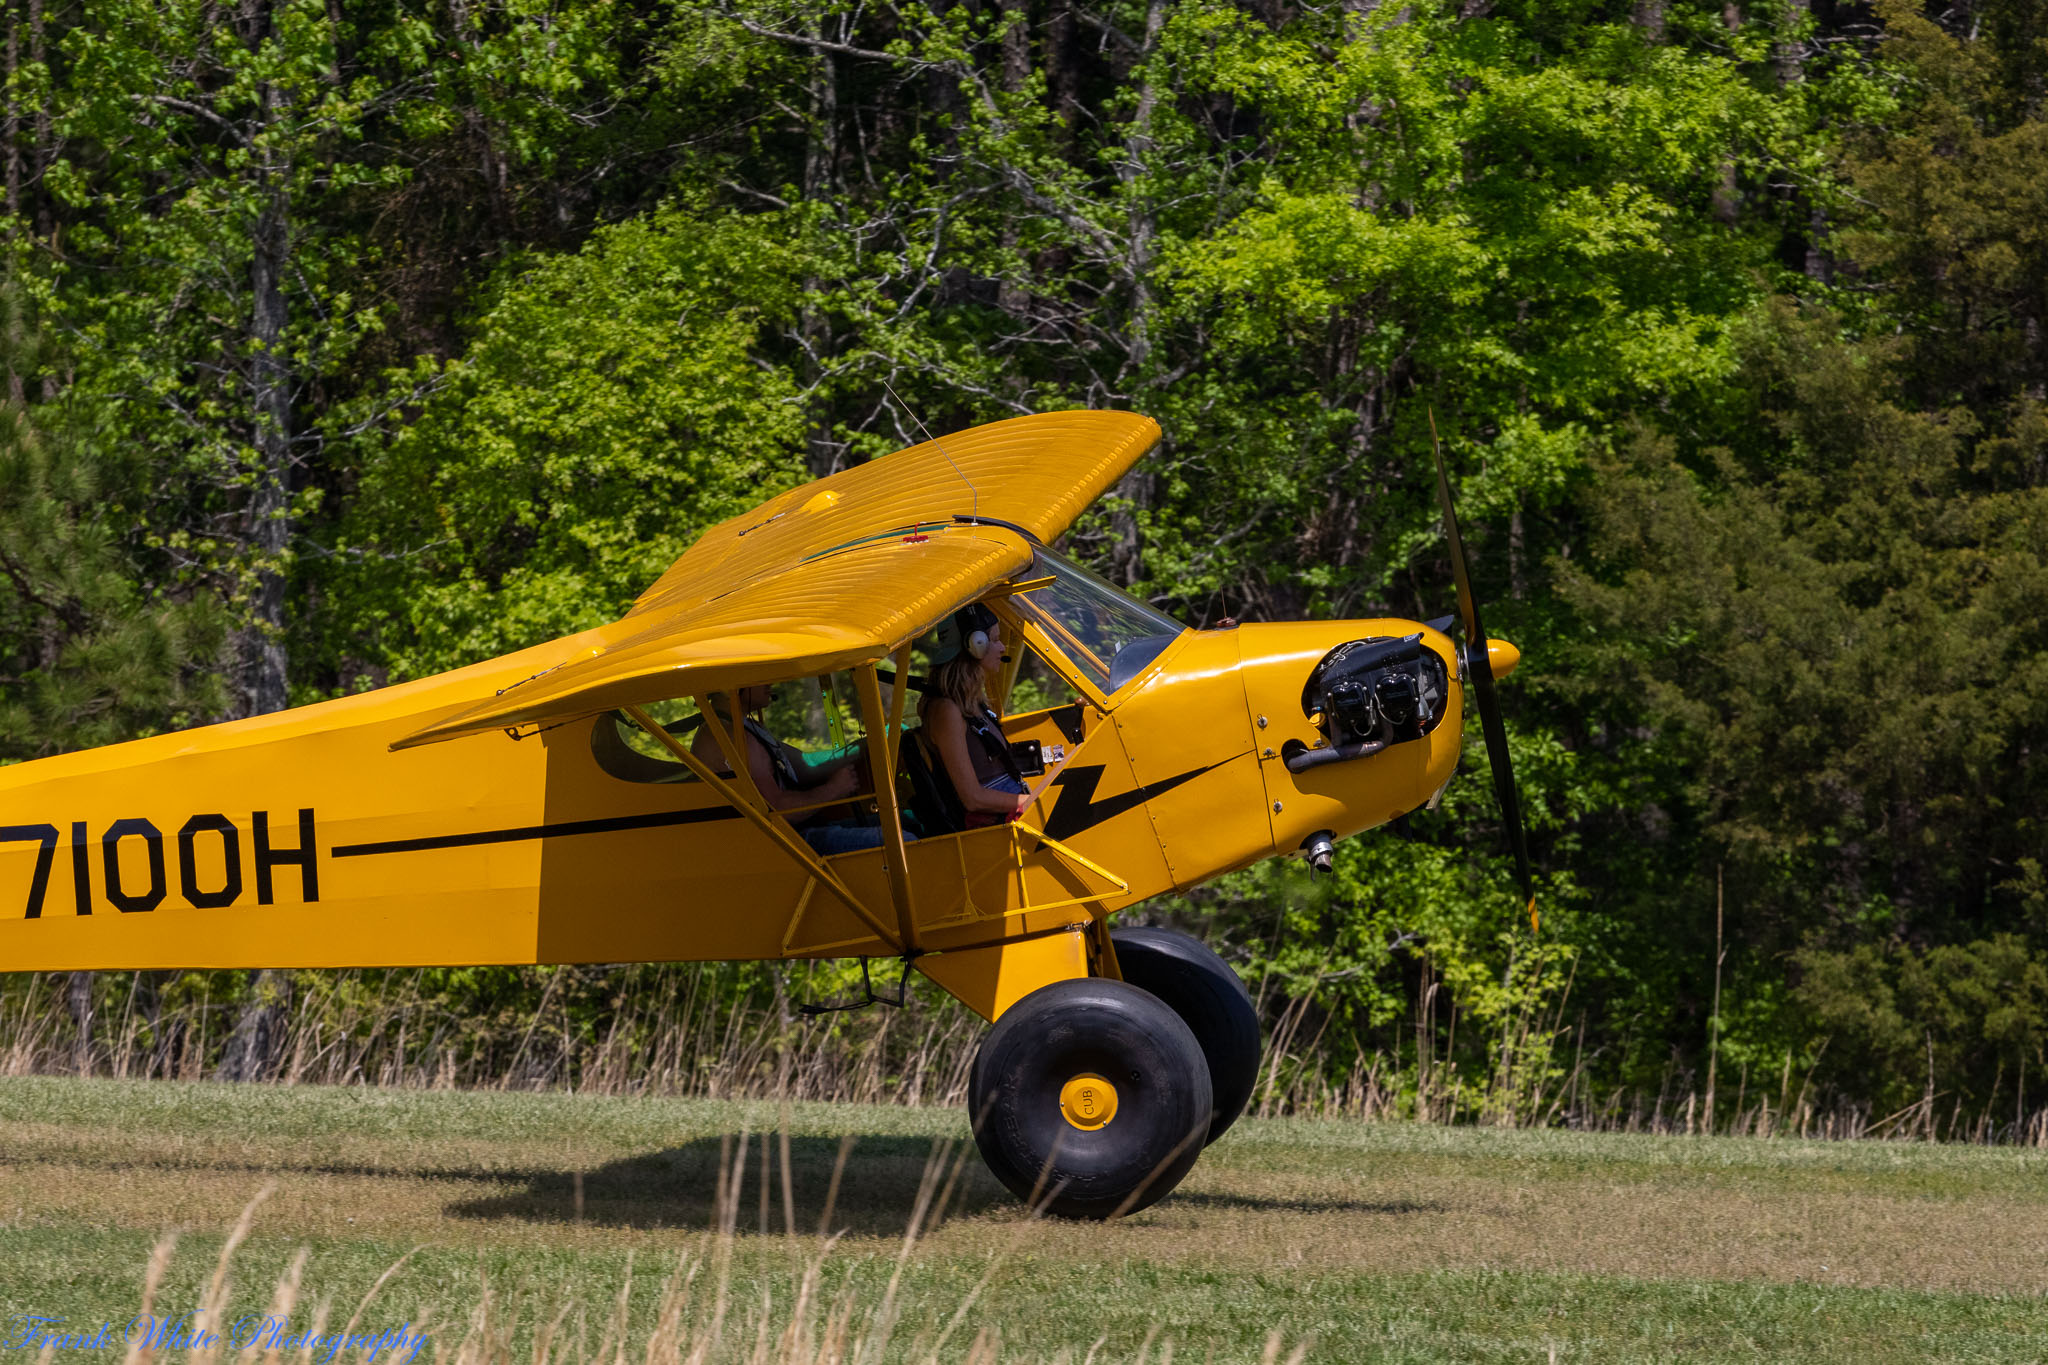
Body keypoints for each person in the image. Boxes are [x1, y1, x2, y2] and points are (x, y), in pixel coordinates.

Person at [690, 684, 909, 856]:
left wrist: (871, 744)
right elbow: (777, 810)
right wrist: (834, 789)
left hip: (790, 838)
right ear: (729, 686)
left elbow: (804, 765)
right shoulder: (728, 736)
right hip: (785, 845)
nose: (770, 682)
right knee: (906, 841)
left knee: (905, 819)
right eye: (758, 675)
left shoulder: (744, 727)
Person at [919, 603, 1031, 826]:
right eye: (995, 639)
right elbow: (972, 798)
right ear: (976, 645)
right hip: (995, 823)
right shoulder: (947, 710)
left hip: (1012, 803)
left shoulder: (972, 702)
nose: (1002, 647)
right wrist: (1032, 802)